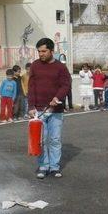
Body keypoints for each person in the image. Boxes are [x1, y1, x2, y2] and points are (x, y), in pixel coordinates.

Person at [28, 37, 72, 179]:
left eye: (44, 51)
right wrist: (31, 106)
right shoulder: (35, 65)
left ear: (52, 51)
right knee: (40, 140)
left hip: (56, 111)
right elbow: (31, 86)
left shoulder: (60, 67)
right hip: (39, 110)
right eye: (39, 51)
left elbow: (66, 85)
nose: (41, 54)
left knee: (54, 139)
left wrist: (57, 98)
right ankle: (43, 166)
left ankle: (54, 167)